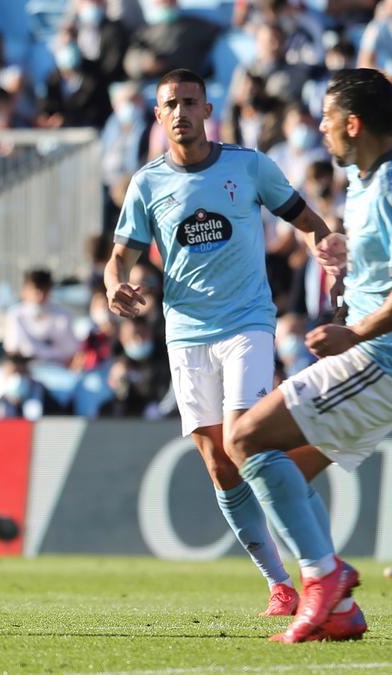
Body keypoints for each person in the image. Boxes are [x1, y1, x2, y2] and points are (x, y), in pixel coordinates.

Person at [105, 69, 347, 618]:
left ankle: (319, 567)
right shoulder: (147, 184)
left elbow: (307, 220)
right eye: (171, 103)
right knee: (219, 463)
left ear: (208, 109)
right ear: (159, 115)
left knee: (244, 439)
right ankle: (280, 584)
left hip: (246, 325)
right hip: (186, 333)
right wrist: (113, 283)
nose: (181, 111)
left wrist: (330, 258)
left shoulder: (249, 165)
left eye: (190, 101)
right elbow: (121, 255)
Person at [228, 67, 392, 644]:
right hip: (370, 352)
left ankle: (325, 579)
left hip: (382, 362)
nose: (318, 128)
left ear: (354, 122)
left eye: (326, 118)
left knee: (245, 439)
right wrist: (352, 267)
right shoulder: (364, 181)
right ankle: (339, 609)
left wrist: (357, 330)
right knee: (284, 478)